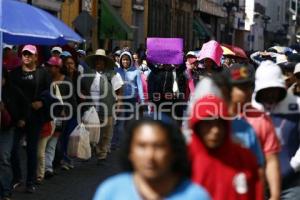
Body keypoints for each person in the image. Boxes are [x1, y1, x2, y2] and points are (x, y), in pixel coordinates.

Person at [93, 115, 211, 200]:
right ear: (130, 151)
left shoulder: (195, 195)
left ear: (174, 151)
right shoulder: (110, 192)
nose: (150, 156)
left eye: (159, 146)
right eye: (142, 146)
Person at [188, 94, 263, 199]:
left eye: (220, 123)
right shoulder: (185, 160)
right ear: (197, 126)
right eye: (208, 123)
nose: (215, 130)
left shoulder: (245, 159)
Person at [227, 64, 281, 200]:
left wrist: (274, 195)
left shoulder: (262, 119)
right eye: (241, 87)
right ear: (228, 88)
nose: (247, 92)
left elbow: (271, 159)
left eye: (249, 87)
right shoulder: (214, 117)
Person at [252, 60, 300, 199]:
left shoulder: (297, 105)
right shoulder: (252, 108)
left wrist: (292, 167)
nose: (271, 94)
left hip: (293, 184)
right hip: (260, 183)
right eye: (266, 90)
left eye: (274, 89)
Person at [10, 45, 51, 193]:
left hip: (35, 117)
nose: (26, 56)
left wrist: (42, 102)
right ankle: (17, 177)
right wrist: (18, 116)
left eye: (30, 54)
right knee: (13, 149)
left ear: (35, 57)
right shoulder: (14, 74)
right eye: (24, 54)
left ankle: (30, 182)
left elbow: (49, 93)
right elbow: (10, 97)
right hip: (18, 118)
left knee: (31, 150)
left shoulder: (43, 74)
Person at [82, 49, 123, 164]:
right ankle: (90, 150)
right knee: (90, 131)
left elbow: (119, 90)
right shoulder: (88, 74)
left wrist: (119, 104)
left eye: (100, 60)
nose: (98, 62)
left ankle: (102, 155)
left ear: (105, 62)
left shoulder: (113, 74)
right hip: (91, 108)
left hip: (107, 108)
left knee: (106, 133)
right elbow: (82, 88)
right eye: (96, 60)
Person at [0, 69, 29, 200]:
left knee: (4, 157)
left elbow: (24, 105)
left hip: (7, 129)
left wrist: (21, 118)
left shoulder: (12, 90)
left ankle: (6, 190)